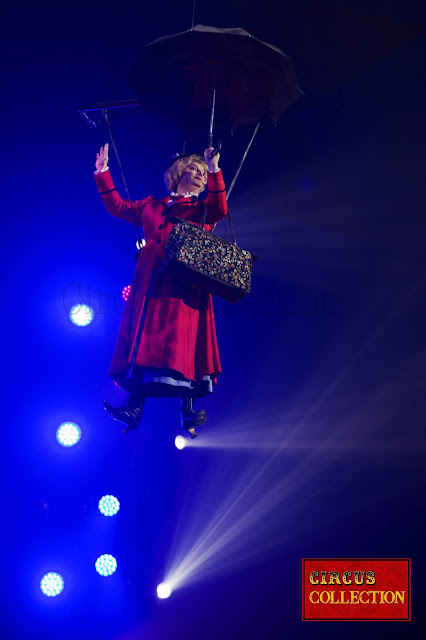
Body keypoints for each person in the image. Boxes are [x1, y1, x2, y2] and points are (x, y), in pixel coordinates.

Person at [94, 143, 227, 437]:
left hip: (185, 281)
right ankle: (133, 407)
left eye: (204, 174)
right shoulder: (152, 205)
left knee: (185, 338)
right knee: (145, 337)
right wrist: (103, 172)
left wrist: (215, 169)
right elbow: (117, 206)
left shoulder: (202, 210)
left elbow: (220, 207)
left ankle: (188, 410)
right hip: (151, 280)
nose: (201, 176)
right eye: (196, 169)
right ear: (179, 172)